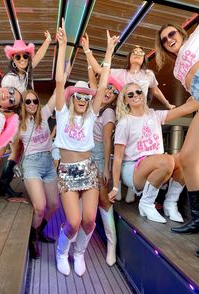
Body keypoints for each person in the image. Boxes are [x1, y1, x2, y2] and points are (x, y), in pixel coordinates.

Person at [54, 19, 118, 276]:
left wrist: (109, 52)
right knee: (73, 221)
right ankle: (62, 252)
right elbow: (60, 81)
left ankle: (79, 253)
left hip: (88, 169)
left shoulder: (92, 114)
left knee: (90, 220)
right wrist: (63, 46)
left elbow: (102, 85)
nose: (82, 99)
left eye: (86, 96)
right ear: (72, 99)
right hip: (68, 171)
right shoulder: (61, 113)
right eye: (78, 96)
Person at [81, 33, 176, 204]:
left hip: (144, 117)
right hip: (126, 117)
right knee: (122, 152)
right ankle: (123, 185)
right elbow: (99, 71)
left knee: (144, 151)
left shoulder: (148, 74)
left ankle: (135, 187)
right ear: (129, 57)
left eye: (141, 52)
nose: (138, 54)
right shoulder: (121, 73)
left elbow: (155, 90)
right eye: (134, 52)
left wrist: (168, 104)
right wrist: (87, 50)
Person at [108, 82, 199, 225]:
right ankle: (146, 203)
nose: (135, 96)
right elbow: (118, 158)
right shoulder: (125, 123)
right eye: (130, 94)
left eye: (138, 92)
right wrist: (115, 187)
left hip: (156, 164)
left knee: (183, 159)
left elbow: (187, 108)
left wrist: (196, 94)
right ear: (125, 100)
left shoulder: (155, 115)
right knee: (167, 160)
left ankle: (170, 204)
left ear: (143, 94)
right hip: (133, 170)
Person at [0, 32, 52, 210]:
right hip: (8, 116)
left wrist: (49, 41)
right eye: (18, 56)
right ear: (13, 59)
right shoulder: (10, 79)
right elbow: (5, 100)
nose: (22, 59)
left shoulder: (26, 75)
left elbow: (40, 56)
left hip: (21, 119)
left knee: (18, 150)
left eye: (25, 56)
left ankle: (4, 186)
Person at [155, 23, 199, 256]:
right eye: (163, 39)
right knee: (187, 158)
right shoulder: (175, 70)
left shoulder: (195, 38)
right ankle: (197, 217)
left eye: (171, 33)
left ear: (181, 33)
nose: (169, 39)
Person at [87, 66, 123, 266]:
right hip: (83, 156)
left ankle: (111, 244)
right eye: (106, 88)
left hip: (99, 156)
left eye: (113, 91)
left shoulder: (108, 112)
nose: (108, 92)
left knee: (103, 199)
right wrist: (85, 52)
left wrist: (107, 168)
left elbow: (108, 142)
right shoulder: (94, 105)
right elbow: (93, 81)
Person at [18, 89, 59, 259]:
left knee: (54, 204)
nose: (32, 104)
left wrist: (63, 70)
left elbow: (56, 92)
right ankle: (32, 239)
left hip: (48, 163)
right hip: (31, 164)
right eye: (28, 102)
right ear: (23, 105)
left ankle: (39, 230)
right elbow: (5, 140)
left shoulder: (43, 114)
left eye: (35, 101)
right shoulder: (18, 123)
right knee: (40, 206)